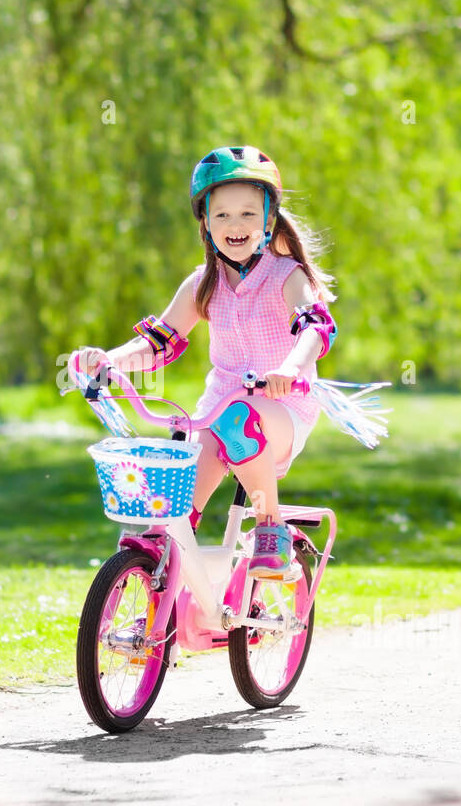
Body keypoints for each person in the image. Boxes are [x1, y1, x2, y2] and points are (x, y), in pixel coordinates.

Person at [75, 145, 338, 577]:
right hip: (216, 411)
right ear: (205, 223)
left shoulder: (286, 275)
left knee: (238, 419)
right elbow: (160, 342)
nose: (235, 225)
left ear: (269, 220)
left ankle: (272, 530)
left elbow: (317, 326)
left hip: (282, 407)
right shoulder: (203, 284)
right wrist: (112, 360)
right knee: (175, 504)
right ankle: (160, 593)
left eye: (248, 214)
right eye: (223, 216)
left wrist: (291, 368)